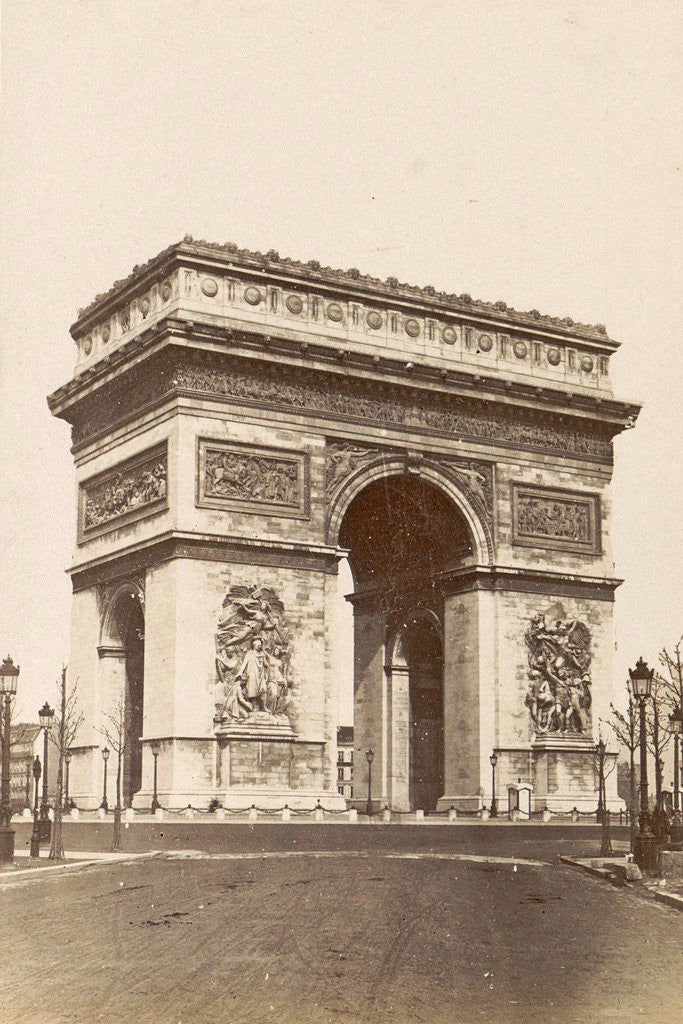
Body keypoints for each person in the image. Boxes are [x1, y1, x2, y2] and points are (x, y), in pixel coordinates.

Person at [237, 637, 268, 711]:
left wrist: (265, 658)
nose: (260, 646)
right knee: (253, 690)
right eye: (258, 645)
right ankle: (254, 706)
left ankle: (264, 706)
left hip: (260, 675)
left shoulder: (262, 654)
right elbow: (244, 664)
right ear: (254, 645)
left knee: (263, 689)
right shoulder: (249, 654)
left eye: (260, 645)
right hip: (252, 675)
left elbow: (266, 664)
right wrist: (240, 672)